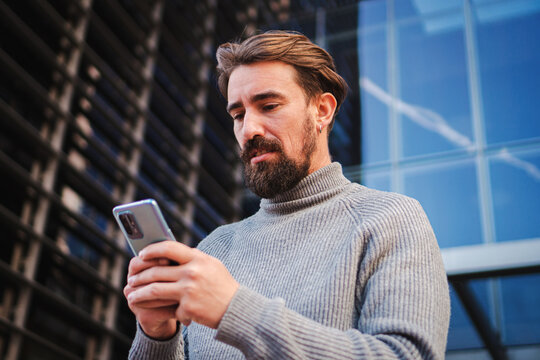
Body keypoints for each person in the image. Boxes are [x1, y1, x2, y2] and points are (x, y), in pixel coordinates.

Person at [124, 30, 450, 359]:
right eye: (238, 115)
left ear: (322, 110)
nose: (249, 130)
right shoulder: (213, 249)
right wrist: (157, 335)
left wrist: (235, 310)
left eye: (268, 105)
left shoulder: (389, 219)